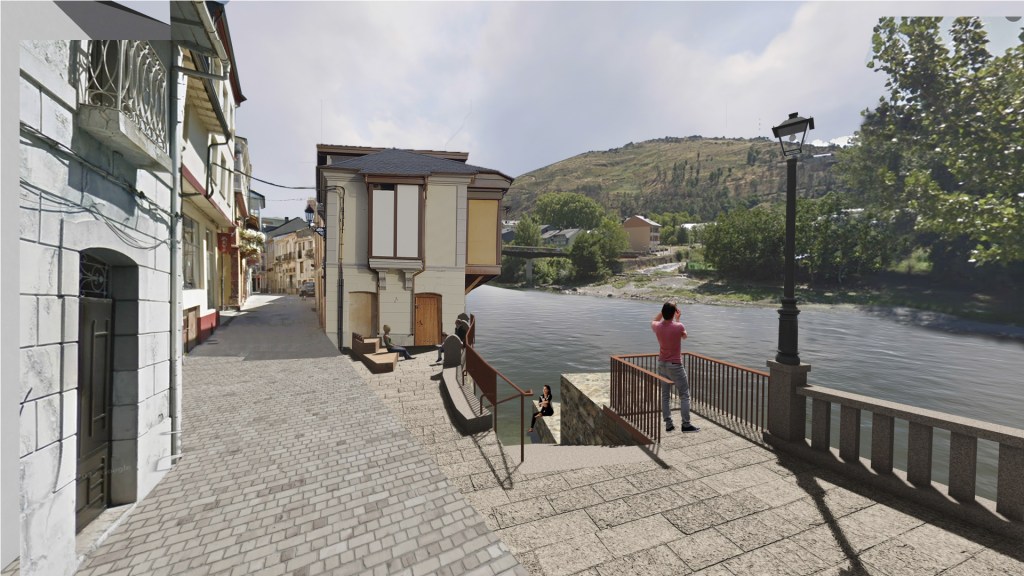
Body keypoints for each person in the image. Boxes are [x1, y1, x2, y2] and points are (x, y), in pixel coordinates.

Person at [651, 301, 699, 432]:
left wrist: (664, 311)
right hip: (675, 365)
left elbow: (654, 320)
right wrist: (678, 319)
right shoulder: (678, 326)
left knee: (665, 395)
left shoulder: (657, 326)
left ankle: (668, 424)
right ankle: (686, 424)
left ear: (663, 312)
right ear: (674, 313)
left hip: (662, 364)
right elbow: (685, 336)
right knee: (684, 395)